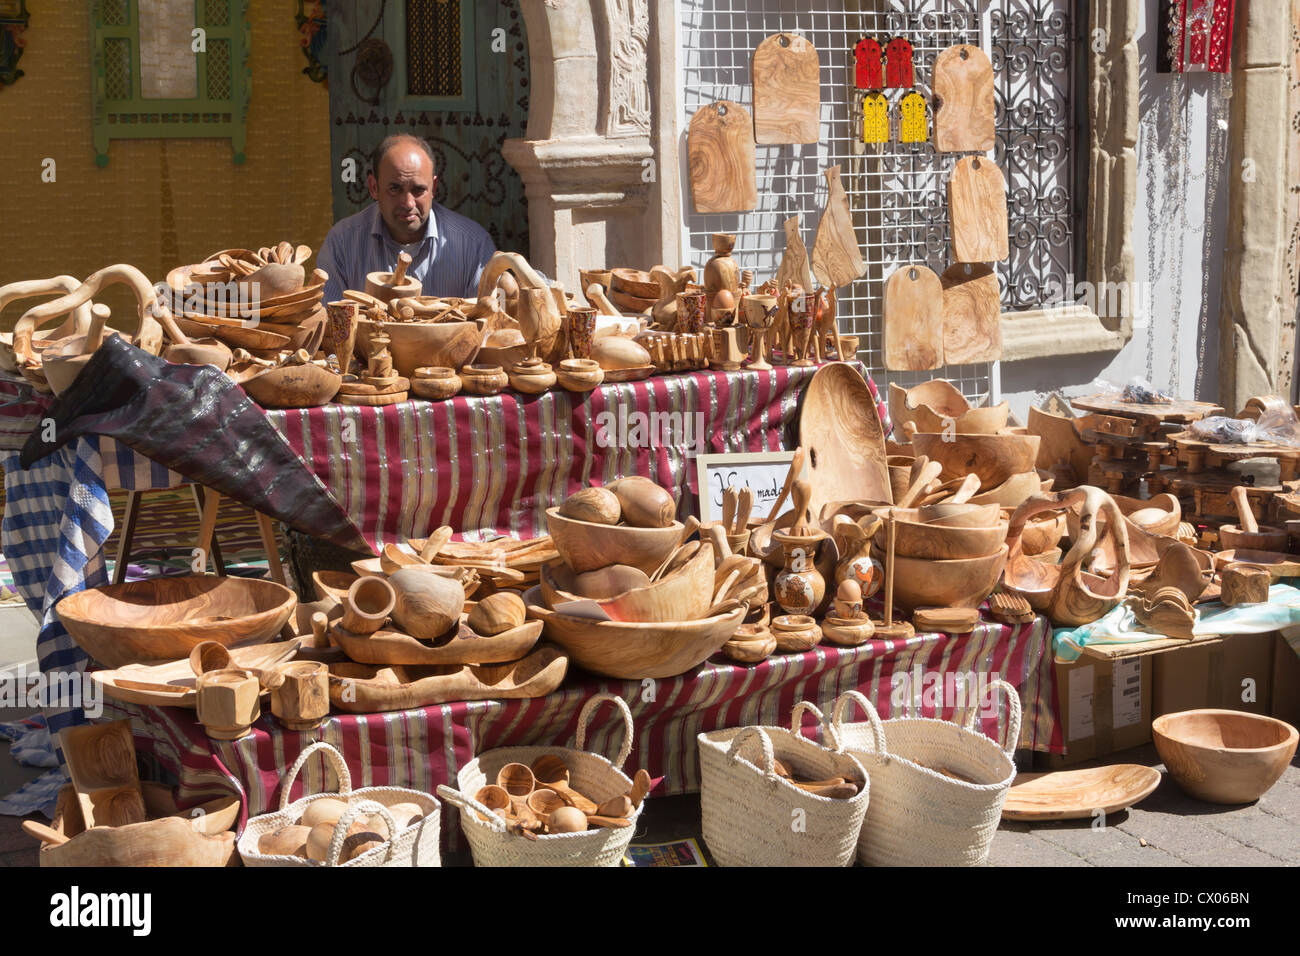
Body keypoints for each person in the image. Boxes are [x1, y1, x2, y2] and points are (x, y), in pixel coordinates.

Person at [317, 134, 498, 304]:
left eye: (418, 190)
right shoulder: (342, 244)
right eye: (395, 189)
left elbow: (488, 324)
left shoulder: (473, 246)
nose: (408, 203)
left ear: (434, 188)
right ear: (373, 187)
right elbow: (327, 324)